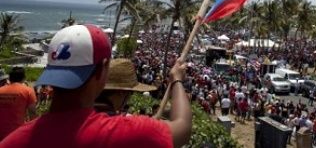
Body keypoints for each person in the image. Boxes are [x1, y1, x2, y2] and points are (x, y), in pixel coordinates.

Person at [0, 24, 192, 148]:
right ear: (102, 71)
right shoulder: (128, 132)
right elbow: (182, 127)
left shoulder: (13, 141)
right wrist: (176, 79)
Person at [0, 67, 37, 140]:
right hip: (16, 133)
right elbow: (32, 113)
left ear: (9, 78)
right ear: (23, 78)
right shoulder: (28, 91)